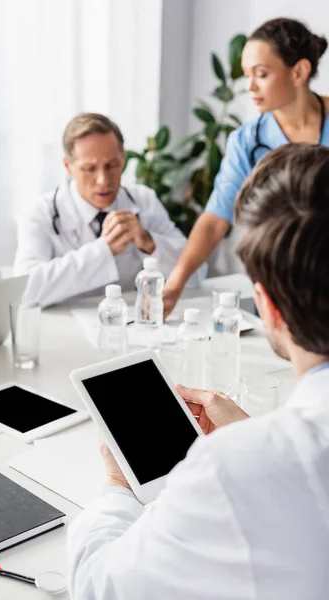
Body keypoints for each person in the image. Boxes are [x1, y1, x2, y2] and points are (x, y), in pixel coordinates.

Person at [67, 143, 329, 599]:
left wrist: (116, 487)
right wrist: (254, 436)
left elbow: (100, 586)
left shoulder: (231, 472)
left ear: (266, 307)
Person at [163, 17, 329, 318]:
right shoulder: (248, 140)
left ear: (299, 71)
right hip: (280, 282)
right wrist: (174, 285)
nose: (249, 86)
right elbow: (215, 220)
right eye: (246, 75)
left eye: (261, 74)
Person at [14, 113, 206, 307]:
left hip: (130, 324)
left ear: (123, 159)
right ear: (68, 166)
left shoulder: (143, 200)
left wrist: (149, 243)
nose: (103, 180)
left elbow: (196, 274)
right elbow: (25, 291)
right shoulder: (39, 214)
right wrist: (104, 250)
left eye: (112, 165)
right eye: (89, 168)